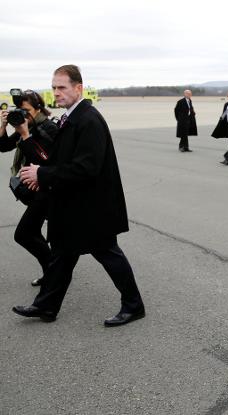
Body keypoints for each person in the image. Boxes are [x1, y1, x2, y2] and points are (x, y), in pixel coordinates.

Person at [13, 64, 145, 326]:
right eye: (53, 88)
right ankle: (46, 306)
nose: (56, 93)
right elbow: (61, 158)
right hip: (74, 205)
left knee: (108, 253)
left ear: (78, 88)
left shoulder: (88, 119)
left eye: (61, 87)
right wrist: (41, 171)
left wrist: (44, 175)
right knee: (62, 255)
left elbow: (86, 167)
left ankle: (134, 305)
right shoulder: (70, 117)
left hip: (93, 208)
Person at [0, 90, 58, 286]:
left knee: (24, 234)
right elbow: (3, 146)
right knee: (31, 232)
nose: (22, 115)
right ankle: (52, 271)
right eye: (20, 110)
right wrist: (3, 125)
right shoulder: (25, 125)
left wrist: (25, 134)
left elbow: (42, 162)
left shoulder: (49, 128)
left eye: (26, 110)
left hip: (48, 190)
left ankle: (55, 271)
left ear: (38, 109)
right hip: (36, 191)